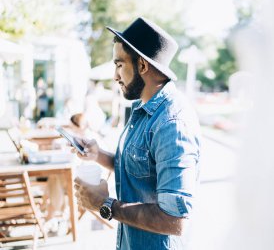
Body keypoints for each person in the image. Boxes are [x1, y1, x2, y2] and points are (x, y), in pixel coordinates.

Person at [73, 17, 201, 249]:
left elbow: (174, 220)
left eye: (119, 64)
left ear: (142, 65)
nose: (115, 75)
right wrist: (97, 154)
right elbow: (138, 168)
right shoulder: (143, 109)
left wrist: (105, 204)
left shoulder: (172, 122)